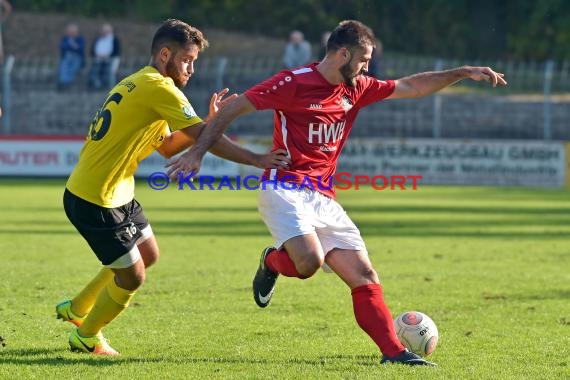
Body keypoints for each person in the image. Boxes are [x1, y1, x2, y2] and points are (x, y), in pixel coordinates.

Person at [166, 20, 507, 366]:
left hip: (324, 198)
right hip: (284, 188)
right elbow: (231, 109)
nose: (367, 68)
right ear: (342, 54)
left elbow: (411, 85)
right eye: (363, 60)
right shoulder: (293, 82)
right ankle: (272, 260)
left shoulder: (356, 87)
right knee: (309, 262)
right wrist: (197, 153)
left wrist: (462, 72)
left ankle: (394, 354)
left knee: (365, 276)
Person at [56, 18, 290, 356]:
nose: (192, 68)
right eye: (187, 59)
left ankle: (78, 308)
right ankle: (87, 335)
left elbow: (166, 146)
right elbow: (202, 139)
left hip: (117, 192)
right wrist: (256, 159)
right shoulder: (159, 88)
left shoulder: (144, 83)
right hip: (95, 199)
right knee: (132, 276)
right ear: (165, 54)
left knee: (148, 253)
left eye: (195, 61)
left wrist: (205, 122)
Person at [87, 23, 121, 90]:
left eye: (107, 31)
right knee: (94, 70)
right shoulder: (98, 39)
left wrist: (106, 56)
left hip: (111, 59)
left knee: (110, 71)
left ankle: (111, 88)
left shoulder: (115, 40)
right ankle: (97, 86)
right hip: (98, 59)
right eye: (104, 31)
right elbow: (92, 51)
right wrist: (98, 55)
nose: (105, 32)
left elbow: (116, 52)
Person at [57, 23, 86, 91]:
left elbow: (80, 48)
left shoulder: (80, 38)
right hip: (66, 58)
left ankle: (64, 83)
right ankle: (66, 83)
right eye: (70, 31)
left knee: (72, 68)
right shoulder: (65, 38)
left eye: (73, 32)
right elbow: (62, 47)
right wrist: (73, 46)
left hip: (78, 58)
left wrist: (72, 46)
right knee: (64, 66)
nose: (71, 33)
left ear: (76, 32)